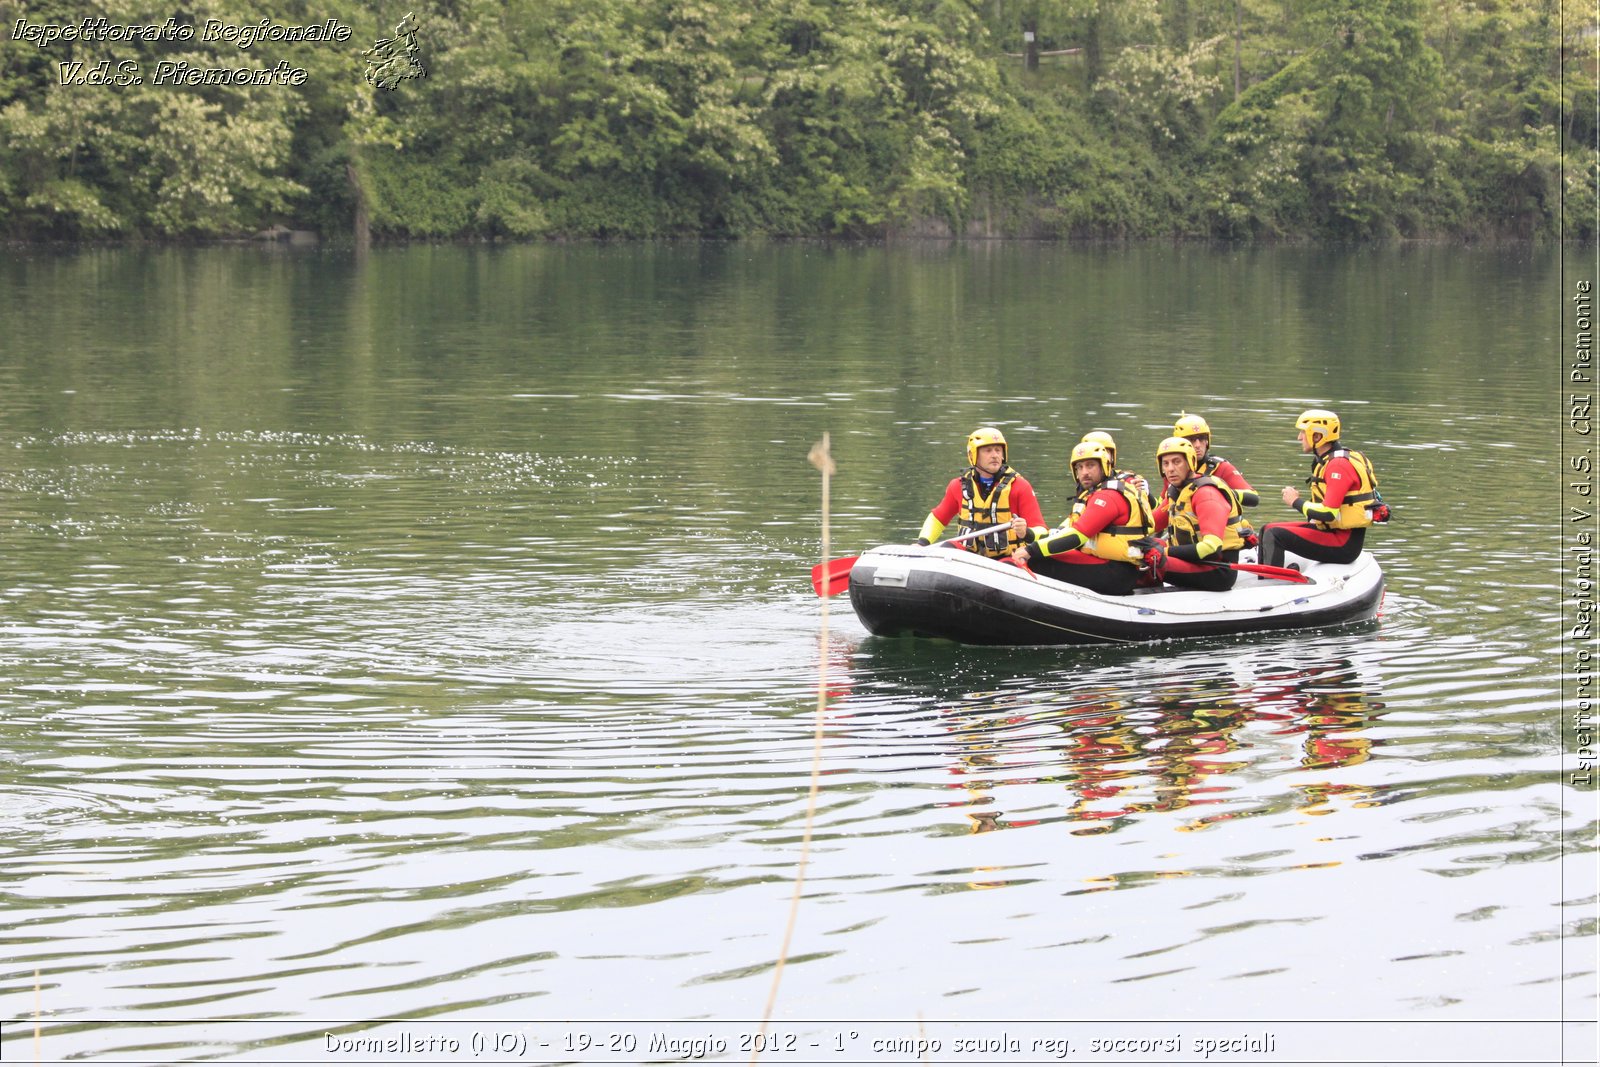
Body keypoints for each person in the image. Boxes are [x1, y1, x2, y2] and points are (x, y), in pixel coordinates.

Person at [1012, 439, 1153, 596]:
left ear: (1104, 466)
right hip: (1109, 565)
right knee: (1042, 554)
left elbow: (1077, 536)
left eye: (1090, 465)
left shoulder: (1108, 497)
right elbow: (1061, 532)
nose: (1084, 472)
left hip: (1117, 573)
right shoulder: (1091, 496)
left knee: (1037, 560)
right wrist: (1028, 535)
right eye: (1079, 467)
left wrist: (1030, 550)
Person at [1259, 409, 1385, 569]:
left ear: (1317, 436)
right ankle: (1264, 580)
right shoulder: (1331, 460)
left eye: (1303, 432)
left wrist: (1295, 501)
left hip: (1343, 544)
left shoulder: (1338, 465)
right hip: (1331, 533)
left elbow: (1328, 513)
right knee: (1267, 529)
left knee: (1274, 535)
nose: (1299, 437)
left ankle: (1273, 587)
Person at [916, 426, 1046, 559]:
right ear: (973, 455)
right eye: (988, 451)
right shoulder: (958, 486)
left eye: (998, 450)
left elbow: (1042, 532)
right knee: (948, 548)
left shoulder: (1020, 486)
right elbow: (938, 518)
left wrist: (1026, 532)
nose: (995, 455)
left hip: (1008, 558)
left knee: (1009, 563)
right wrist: (922, 544)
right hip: (969, 554)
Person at [1150, 436, 1246, 592]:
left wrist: (1164, 552)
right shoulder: (1177, 491)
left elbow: (1211, 547)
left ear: (1190, 462)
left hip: (1217, 570)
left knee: (1151, 558)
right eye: (1165, 463)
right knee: (1143, 546)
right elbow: (1150, 524)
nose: (1170, 469)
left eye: (1177, 462)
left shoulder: (1206, 494)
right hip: (1194, 561)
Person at [1079, 430, 1155, 511]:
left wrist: (1147, 495)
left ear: (1112, 456)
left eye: (1106, 452)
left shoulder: (1129, 481)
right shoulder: (1084, 481)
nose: (1104, 457)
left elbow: (1155, 513)